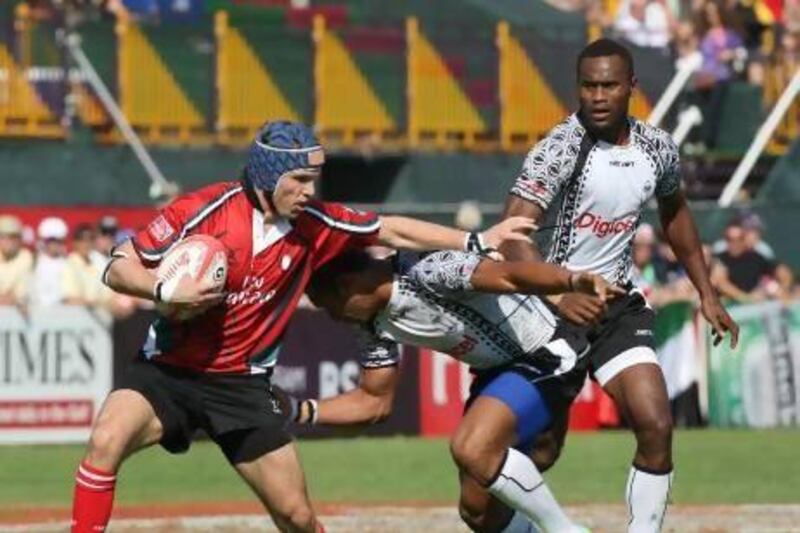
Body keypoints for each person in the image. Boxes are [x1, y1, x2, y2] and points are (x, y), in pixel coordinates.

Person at [70, 121, 533, 533]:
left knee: (295, 517)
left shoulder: (315, 224)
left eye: (313, 179)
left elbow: (392, 230)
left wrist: (477, 239)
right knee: (105, 441)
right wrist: (162, 291)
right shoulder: (203, 209)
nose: (311, 191)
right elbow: (118, 267)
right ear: (271, 176)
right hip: (166, 371)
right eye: (301, 180)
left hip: (241, 386)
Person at [500, 39, 739, 533]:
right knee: (543, 448)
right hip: (551, 313)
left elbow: (676, 217)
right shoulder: (558, 149)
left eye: (609, 85)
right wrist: (557, 292)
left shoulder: (657, 147)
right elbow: (512, 235)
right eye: (589, 86)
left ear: (632, 87)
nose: (598, 96)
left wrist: (707, 292)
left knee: (656, 425)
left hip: (617, 308)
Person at [295, 248, 618, 533]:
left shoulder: (428, 270)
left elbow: (509, 274)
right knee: (478, 511)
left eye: (328, 307)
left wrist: (572, 281)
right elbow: (374, 401)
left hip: (546, 350)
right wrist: (296, 410)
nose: (333, 319)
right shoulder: (369, 323)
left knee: (473, 447)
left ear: (346, 286)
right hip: (496, 373)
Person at [30, 216, 69, 307]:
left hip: (62, 313)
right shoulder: (34, 262)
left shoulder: (67, 264)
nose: (54, 244)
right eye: (51, 240)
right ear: (43, 241)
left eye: (58, 241)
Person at [0, 214, 33, 306]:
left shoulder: (26, 257)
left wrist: (11, 297)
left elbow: (20, 296)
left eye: (13, 236)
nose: (9, 241)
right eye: (3, 236)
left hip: (15, 317)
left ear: (20, 239)